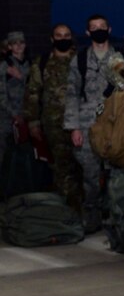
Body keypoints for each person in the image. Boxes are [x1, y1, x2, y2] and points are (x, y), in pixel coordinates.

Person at [63, 14, 116, 232]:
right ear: (87, 33)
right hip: (87, 125)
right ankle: (92, 219)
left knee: (115, 174)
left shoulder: (119, 58)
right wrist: (74, 126)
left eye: (102, 27)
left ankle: (116, 218)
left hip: (114, 125)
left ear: (109, 30)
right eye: (94, 28)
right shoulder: (81, 59)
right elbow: (72, 93)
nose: (98, 30)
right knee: (91, 176)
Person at [25, 24, 81, 209]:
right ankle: (65, 210)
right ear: (52, 39)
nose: (63, 39)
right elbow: (33, 93)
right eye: (59, 35)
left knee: (83, 167)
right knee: (60, 167)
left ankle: (84, 209)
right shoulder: (42, 63)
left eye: (66, 35)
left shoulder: (81, 60)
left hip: (80, 123)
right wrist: (33, 122)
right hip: (54, 124)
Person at [1, 31, 30, 163]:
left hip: (26, 115)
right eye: (14, 43)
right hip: (6, 117)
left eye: (21, 42)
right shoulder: (4, 66)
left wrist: (21, 77)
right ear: (9, 47)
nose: (18, 46)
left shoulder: (30, 64)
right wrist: (14, 114)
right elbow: (1, 94)